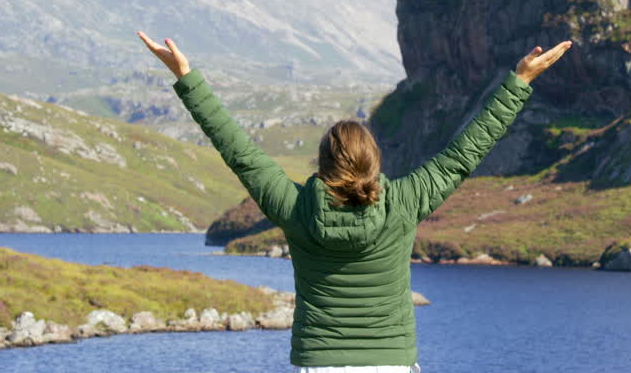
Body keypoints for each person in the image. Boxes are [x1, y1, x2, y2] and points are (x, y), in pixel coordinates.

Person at [138, 31, 571, 372]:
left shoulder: (295, 208)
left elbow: (240, 153)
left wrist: (187, 78)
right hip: (391, 364)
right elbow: (464, 154)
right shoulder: (404, 202)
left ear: (323, 162)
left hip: (319, 364)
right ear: (374, 161)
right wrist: (518, 81)